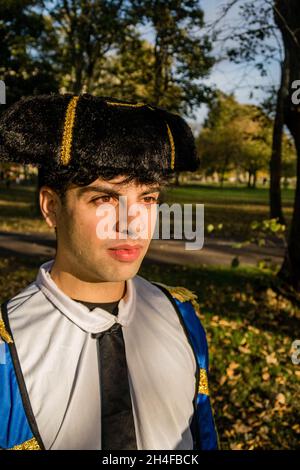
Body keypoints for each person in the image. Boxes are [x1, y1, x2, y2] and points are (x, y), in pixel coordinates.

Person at [0, 93, 218, 450]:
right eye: (104, 199)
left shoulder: (181, 317)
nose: (131, 225)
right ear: (51, 207)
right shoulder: (7, 350)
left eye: (147, 199)